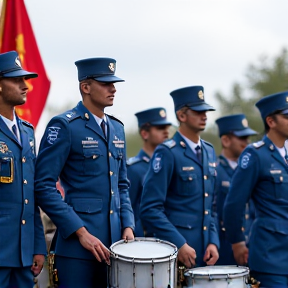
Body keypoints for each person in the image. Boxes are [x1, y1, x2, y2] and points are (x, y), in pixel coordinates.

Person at [34, 57, 135, 288]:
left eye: (114, 83)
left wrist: (128, 225)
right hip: (77, 250)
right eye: (105, 83)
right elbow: (43, 185)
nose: (113, 88)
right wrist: (80, 232)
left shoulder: (117, 128)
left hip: (115, 247)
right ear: (85, 87)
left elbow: (122, 185)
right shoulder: (65, 126)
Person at [140, 86, 219, 269]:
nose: (204, 116)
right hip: (177, 254)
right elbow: (150, 209)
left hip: (205, 253)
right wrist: (179, 244)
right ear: (182, 116)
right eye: (198, 112)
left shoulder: (209, 150)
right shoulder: (167, 152)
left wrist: (214, 242)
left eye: (206, 111)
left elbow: (211, 207)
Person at [224, 91, 288, 287]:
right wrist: (237, 242)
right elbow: (234, 204)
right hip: (271, 256)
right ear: (271, 121)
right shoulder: (255, 154)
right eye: (286, 116)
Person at [0, 51, 46, 288]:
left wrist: (38, 245)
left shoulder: (27, 131)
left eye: (24, 79)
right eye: (16, 80)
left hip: (23, 253)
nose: (24, 86)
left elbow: (31, 197)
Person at [214, 114, 257, 265]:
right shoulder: (215, 171)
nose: (247, 142)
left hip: (251, 244)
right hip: (225, 247)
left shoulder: (251, 170)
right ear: (226, 140)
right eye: (242, 138)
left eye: (248, 138)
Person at [127, 107, 171, 236]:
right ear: (145, 134)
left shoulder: (168, 165)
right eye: (160, 129)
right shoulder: (133, 169)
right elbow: (129, 210)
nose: (166, 133)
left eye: (167, 129)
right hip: (146, 240)